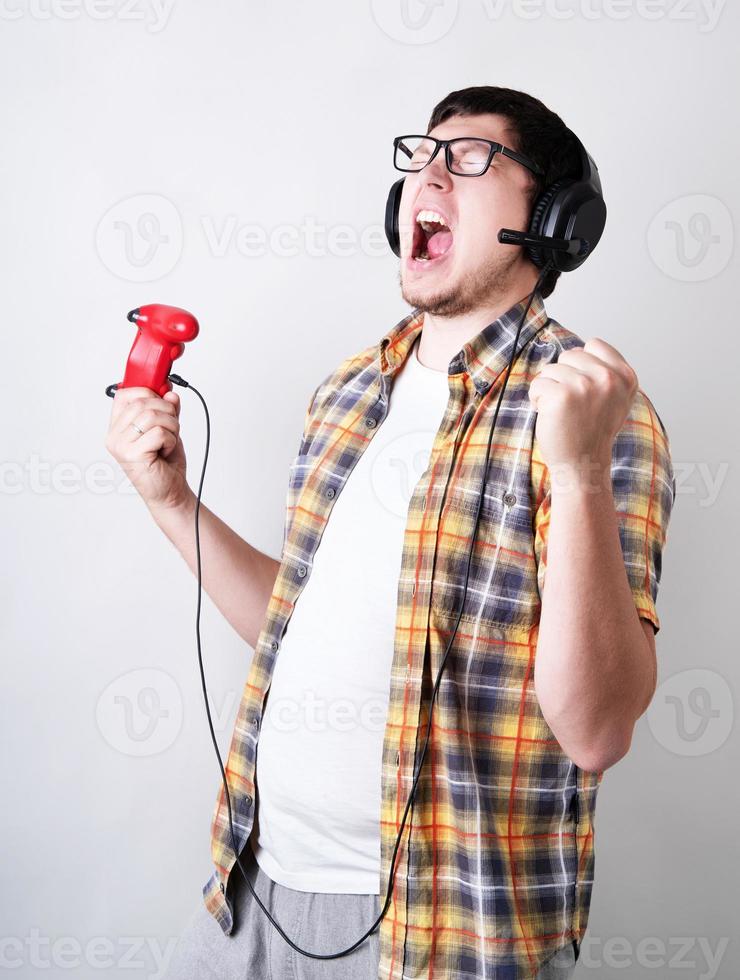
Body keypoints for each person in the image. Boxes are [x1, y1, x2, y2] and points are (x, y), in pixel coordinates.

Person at [105, 85, 675, 980]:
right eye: (419, 158)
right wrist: (173, 502)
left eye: (470, 159)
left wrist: (576, 468)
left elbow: (598, 731)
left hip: (443, 936)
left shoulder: (600, 411)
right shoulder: (348, 391)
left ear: (557, 221)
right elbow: (285, 631)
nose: (425, 177)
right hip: (250, 896)